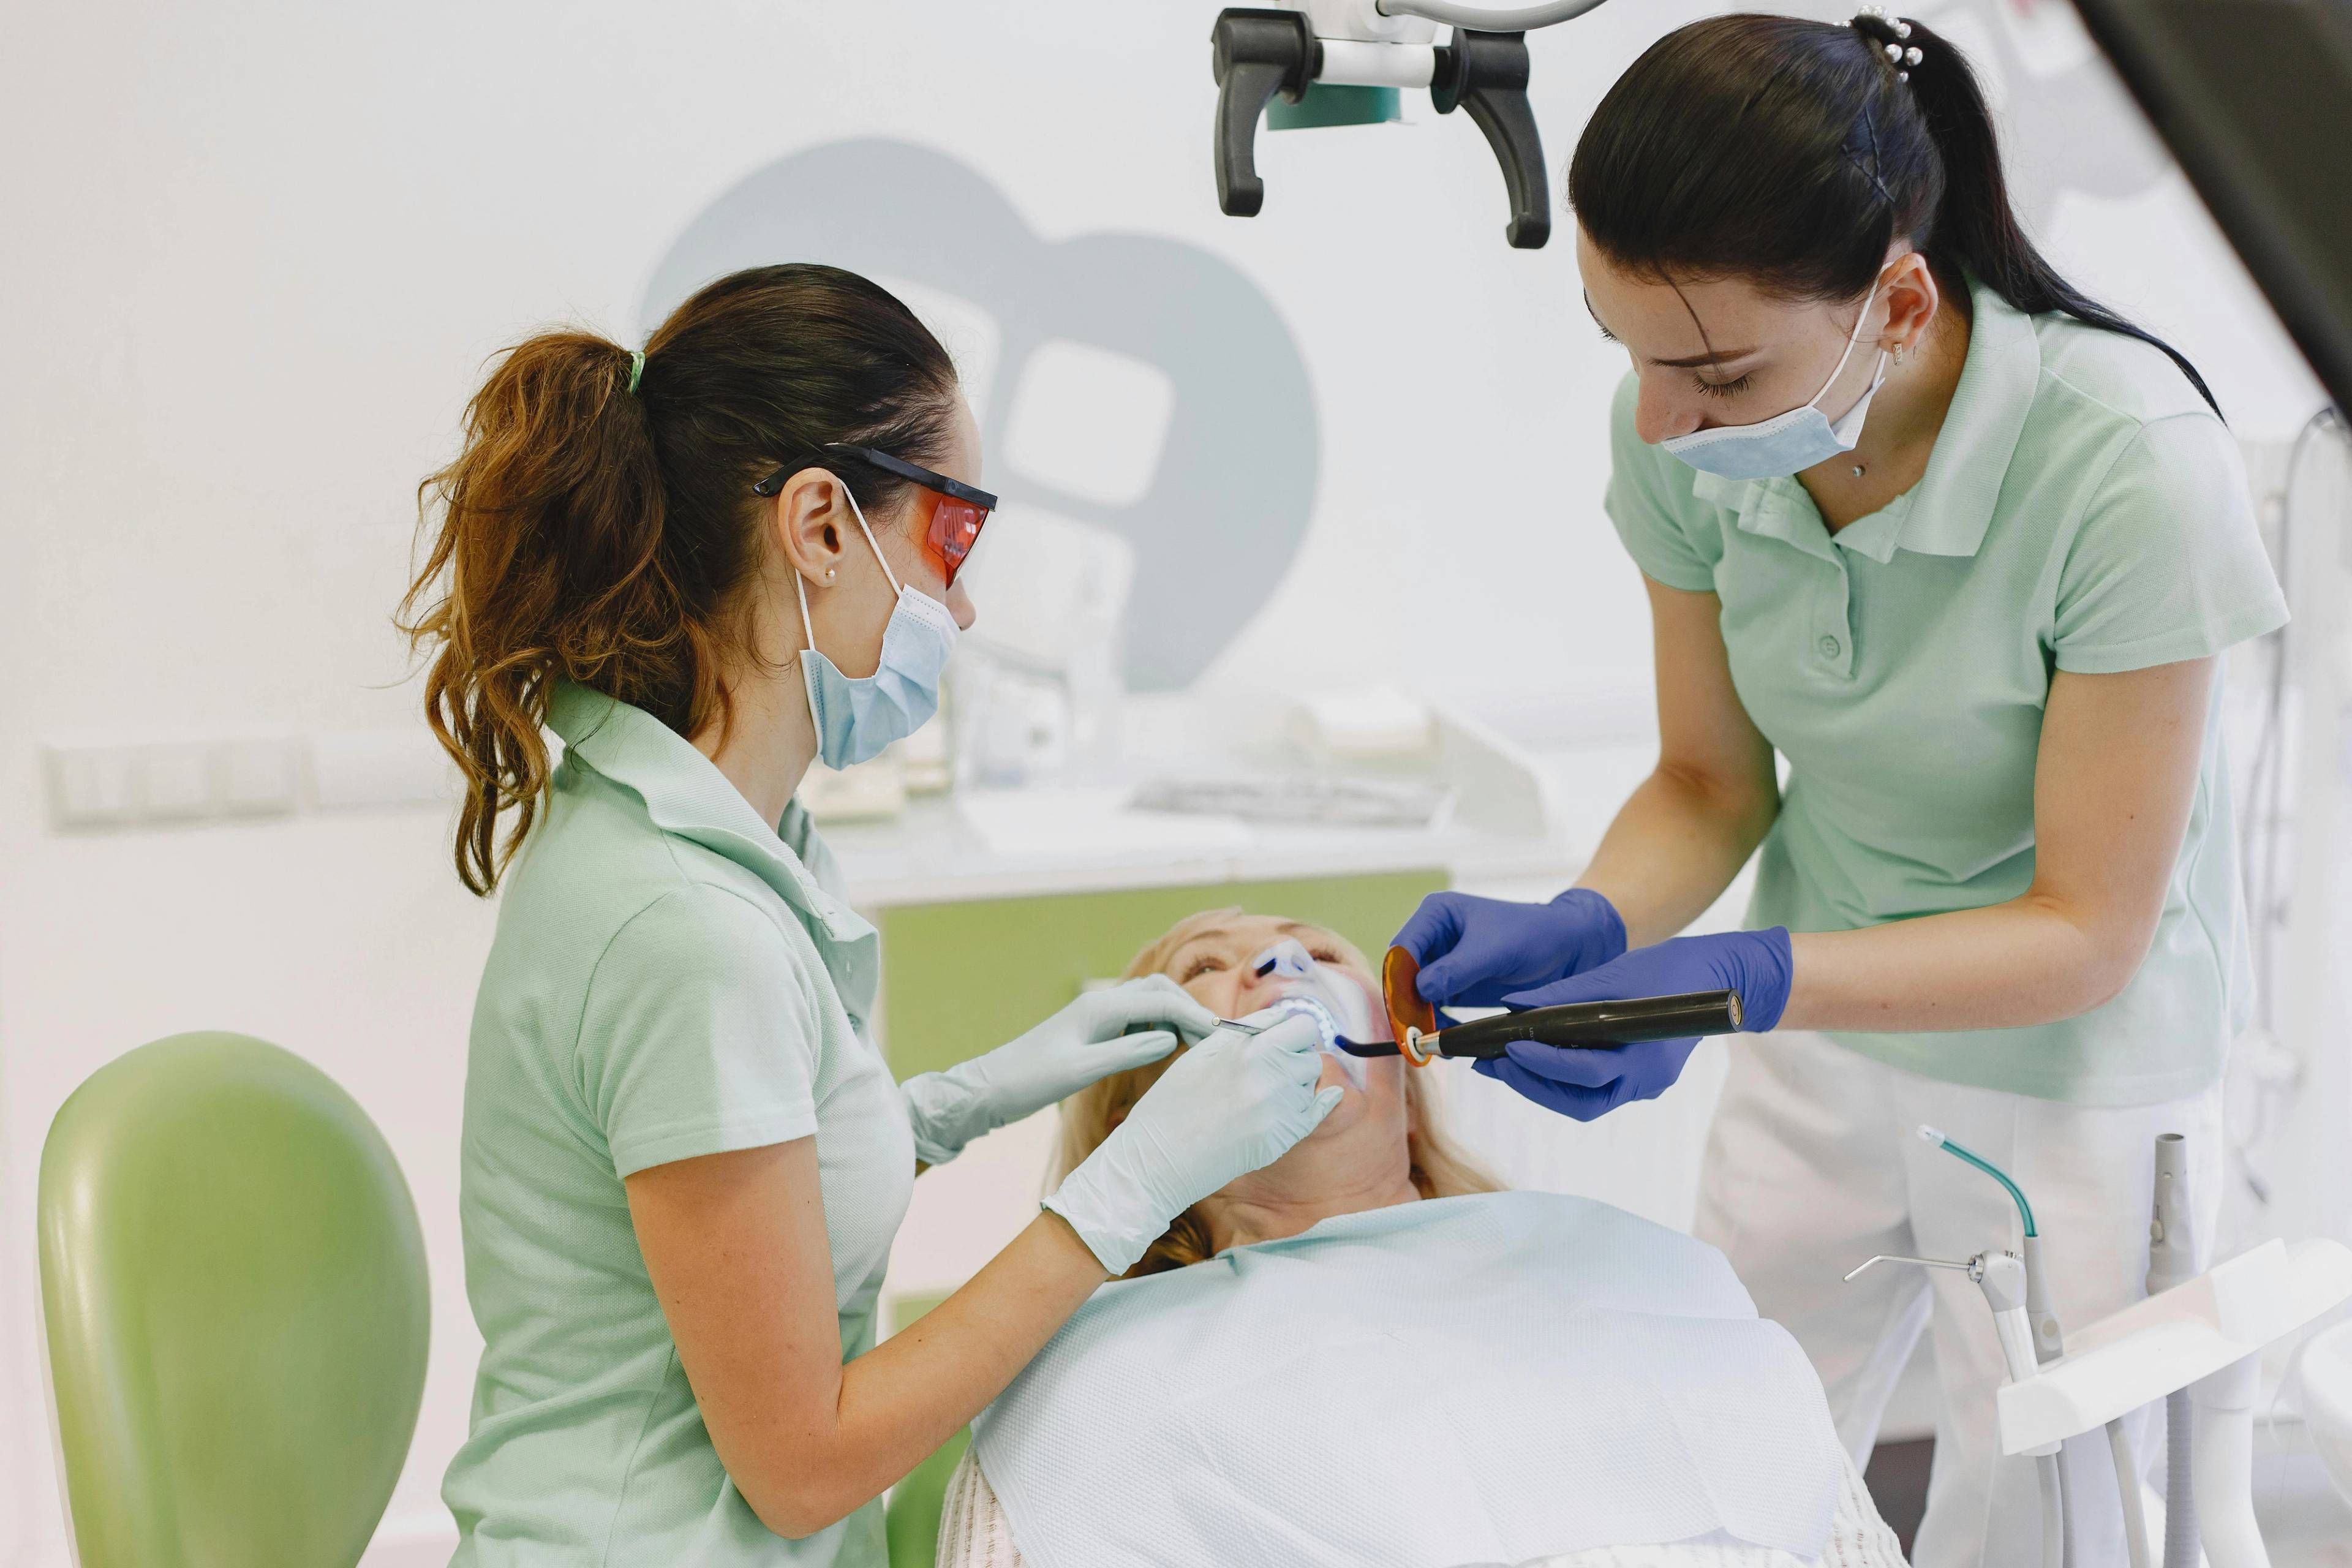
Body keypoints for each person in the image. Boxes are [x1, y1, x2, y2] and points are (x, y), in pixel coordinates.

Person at [1393, 13, 2288, 1566]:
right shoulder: (1682, 438)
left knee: (2066, 1521)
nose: (1663, 421)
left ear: (1899, 298)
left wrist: (1737, 976)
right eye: (1629, 352)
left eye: (1717, 369)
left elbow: (2085, 929)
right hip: (1823, 1029)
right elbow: (1706, 779)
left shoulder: (2127, 462)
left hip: (2077, 1060)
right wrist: (1592, 924)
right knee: (1724, 1448)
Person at [399, 263, 1340, 1567]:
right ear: (822, 528)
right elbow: (803, 1463)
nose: (962, 609)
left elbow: (744, 1219)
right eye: (953, 545)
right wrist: (1126, 1189)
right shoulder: (683, 924)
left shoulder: (718, 835)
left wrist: (961, 1103)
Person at [933, 909, 1910, 1567]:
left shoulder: (1623, 1269)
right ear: (1134, 1119)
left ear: (1410, 1084)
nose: (1279, 967)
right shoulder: (1086, 1376)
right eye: (1206, 973)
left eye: (1321, 953)